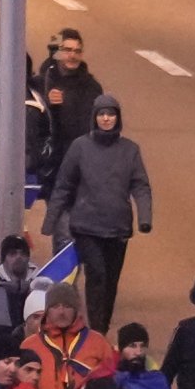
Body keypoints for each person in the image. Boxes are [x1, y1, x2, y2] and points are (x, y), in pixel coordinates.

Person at [45, 93, 151, 334]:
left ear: (117, 118)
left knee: (111, 282)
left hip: (118, 228)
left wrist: (145, 217)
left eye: (110, 114)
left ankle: (101, 327)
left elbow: (140, 185)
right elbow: (64, 184)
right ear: (94, 117)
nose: (106, 119)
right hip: (86, 227)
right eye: (102, 114)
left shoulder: (130, 150)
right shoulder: (80, 147)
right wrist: (50, 221)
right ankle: (97, 331)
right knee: (97, 275)